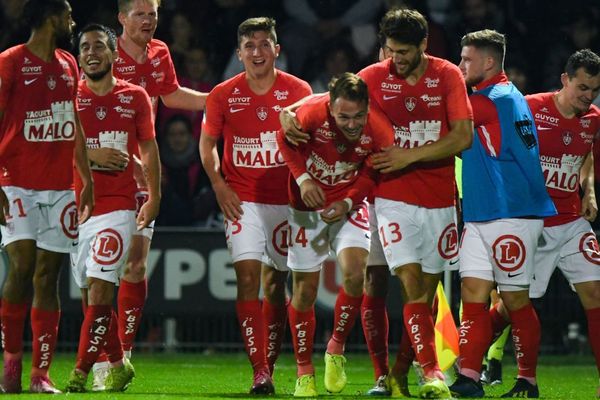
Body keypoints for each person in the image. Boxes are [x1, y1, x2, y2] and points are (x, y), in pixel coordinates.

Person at [280, 9, 473, 397]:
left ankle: (404, 372)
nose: (395, 59)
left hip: (437, 196)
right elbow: (338, 96)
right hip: (389, 194)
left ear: (423, 45)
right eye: (390, 50)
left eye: (403, 51)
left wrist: (408, 156)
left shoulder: (448, 75)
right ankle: (406, 372)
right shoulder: (376, 74)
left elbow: (463, 137)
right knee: (393, 279)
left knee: (423, 292)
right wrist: (289, 112)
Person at [200, 17, 312, 395]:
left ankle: (272, 362)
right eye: (250, 45)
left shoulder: (299, 91)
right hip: (242, 201)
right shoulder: (222, 94)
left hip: (286, 203)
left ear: (277, 50)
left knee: (276, 282)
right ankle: (259, 370)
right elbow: (207, 145)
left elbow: (309, 144)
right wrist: (219, 185)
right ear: (239, 53)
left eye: (265, 44)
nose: (257, 52)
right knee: (248, 278)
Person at [448, 30, 556, 398]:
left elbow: (442, 115)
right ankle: (469, 376)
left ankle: (527, 379)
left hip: (512, 212)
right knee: (473, 293)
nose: (461, 66)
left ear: (489, 62)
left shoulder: (494, 100)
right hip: (483, 213)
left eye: (466, 59)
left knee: (514, 300)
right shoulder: (501, 97)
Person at [106, 0, 209, 377]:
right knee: (98, 272)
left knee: (134, 265)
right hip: (100, 168)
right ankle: (99, 355)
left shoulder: (160, 51)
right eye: (140, 14)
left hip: (141, 172)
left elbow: (172, 94)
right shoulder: (103, 50)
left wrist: (218, 100)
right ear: (122, 18)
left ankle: (121, 357)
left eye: (153, 14)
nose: (149, 20)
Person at [276, 73, 394, 397]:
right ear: (330, 106)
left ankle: (335, 348)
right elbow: (283, 138)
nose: (352, 124)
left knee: (357, 276)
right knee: (304, 291)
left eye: (358, 116)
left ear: (368, 107)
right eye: (343, 116)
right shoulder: (312, 111)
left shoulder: (380, 130)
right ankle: (304, 371)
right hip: (305, 208)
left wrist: (347, 200)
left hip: (349, 205)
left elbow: (373, 172)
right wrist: (303, 180)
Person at [0, 0, 94, 393]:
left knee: (47, 276)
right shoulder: (9, 62)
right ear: (49, 16)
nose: (71, 22)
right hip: (16, 180)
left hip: (61, 186)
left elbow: (73, 121)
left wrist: (86, 177)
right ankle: (11, 364)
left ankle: (41, 374)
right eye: (67, 15)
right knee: (21, 265)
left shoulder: (69, 64)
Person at [64, 23, 160, 393]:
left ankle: (80, 373)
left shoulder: (134, 96)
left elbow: (149, 149)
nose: (91, 53)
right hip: (80, 207)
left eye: (99, 46)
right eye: (85, 47)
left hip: (120, 207)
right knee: (91, 296)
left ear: (113, 53)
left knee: (102, 291)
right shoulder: (70, 100)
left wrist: (154, 196)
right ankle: (119, 363)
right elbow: (54, 149)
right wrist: (93, 155)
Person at [525, 49, 600, 398]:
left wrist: (589, 191)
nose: (588, 96)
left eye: (594, 91)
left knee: (595, 293)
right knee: (514, 306)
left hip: (572, 222)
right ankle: (477, 360)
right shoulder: (530, 108)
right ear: (564, 80)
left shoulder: (593, 119)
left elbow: (585, 153)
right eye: (582, 87)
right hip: (535, 223)